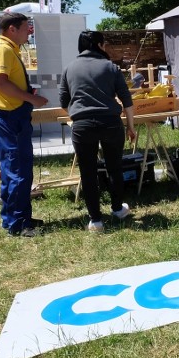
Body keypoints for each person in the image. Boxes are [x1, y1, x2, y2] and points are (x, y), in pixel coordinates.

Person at [59, 31, 137, 233]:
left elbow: (63, 102)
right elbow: (126, 100)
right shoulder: (110, 67)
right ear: (99, 45)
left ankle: (96, 221)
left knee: (88, 172)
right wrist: (131, 126)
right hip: (111, 123)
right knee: (114, 168)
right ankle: (118, 209)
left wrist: (79, 114)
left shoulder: (69, 68)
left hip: (82, 125)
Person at [0, 12, 48, 236]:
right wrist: (31, 98)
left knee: (13, 167)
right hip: (10, 117)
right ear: (12, 29)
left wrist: (26, 92)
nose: (29, 32)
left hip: (9, 115)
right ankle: (19, 225)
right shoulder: (2, 49)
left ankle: (14, 218)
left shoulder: (8, 48)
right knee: (18, 170)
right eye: (25, 27)